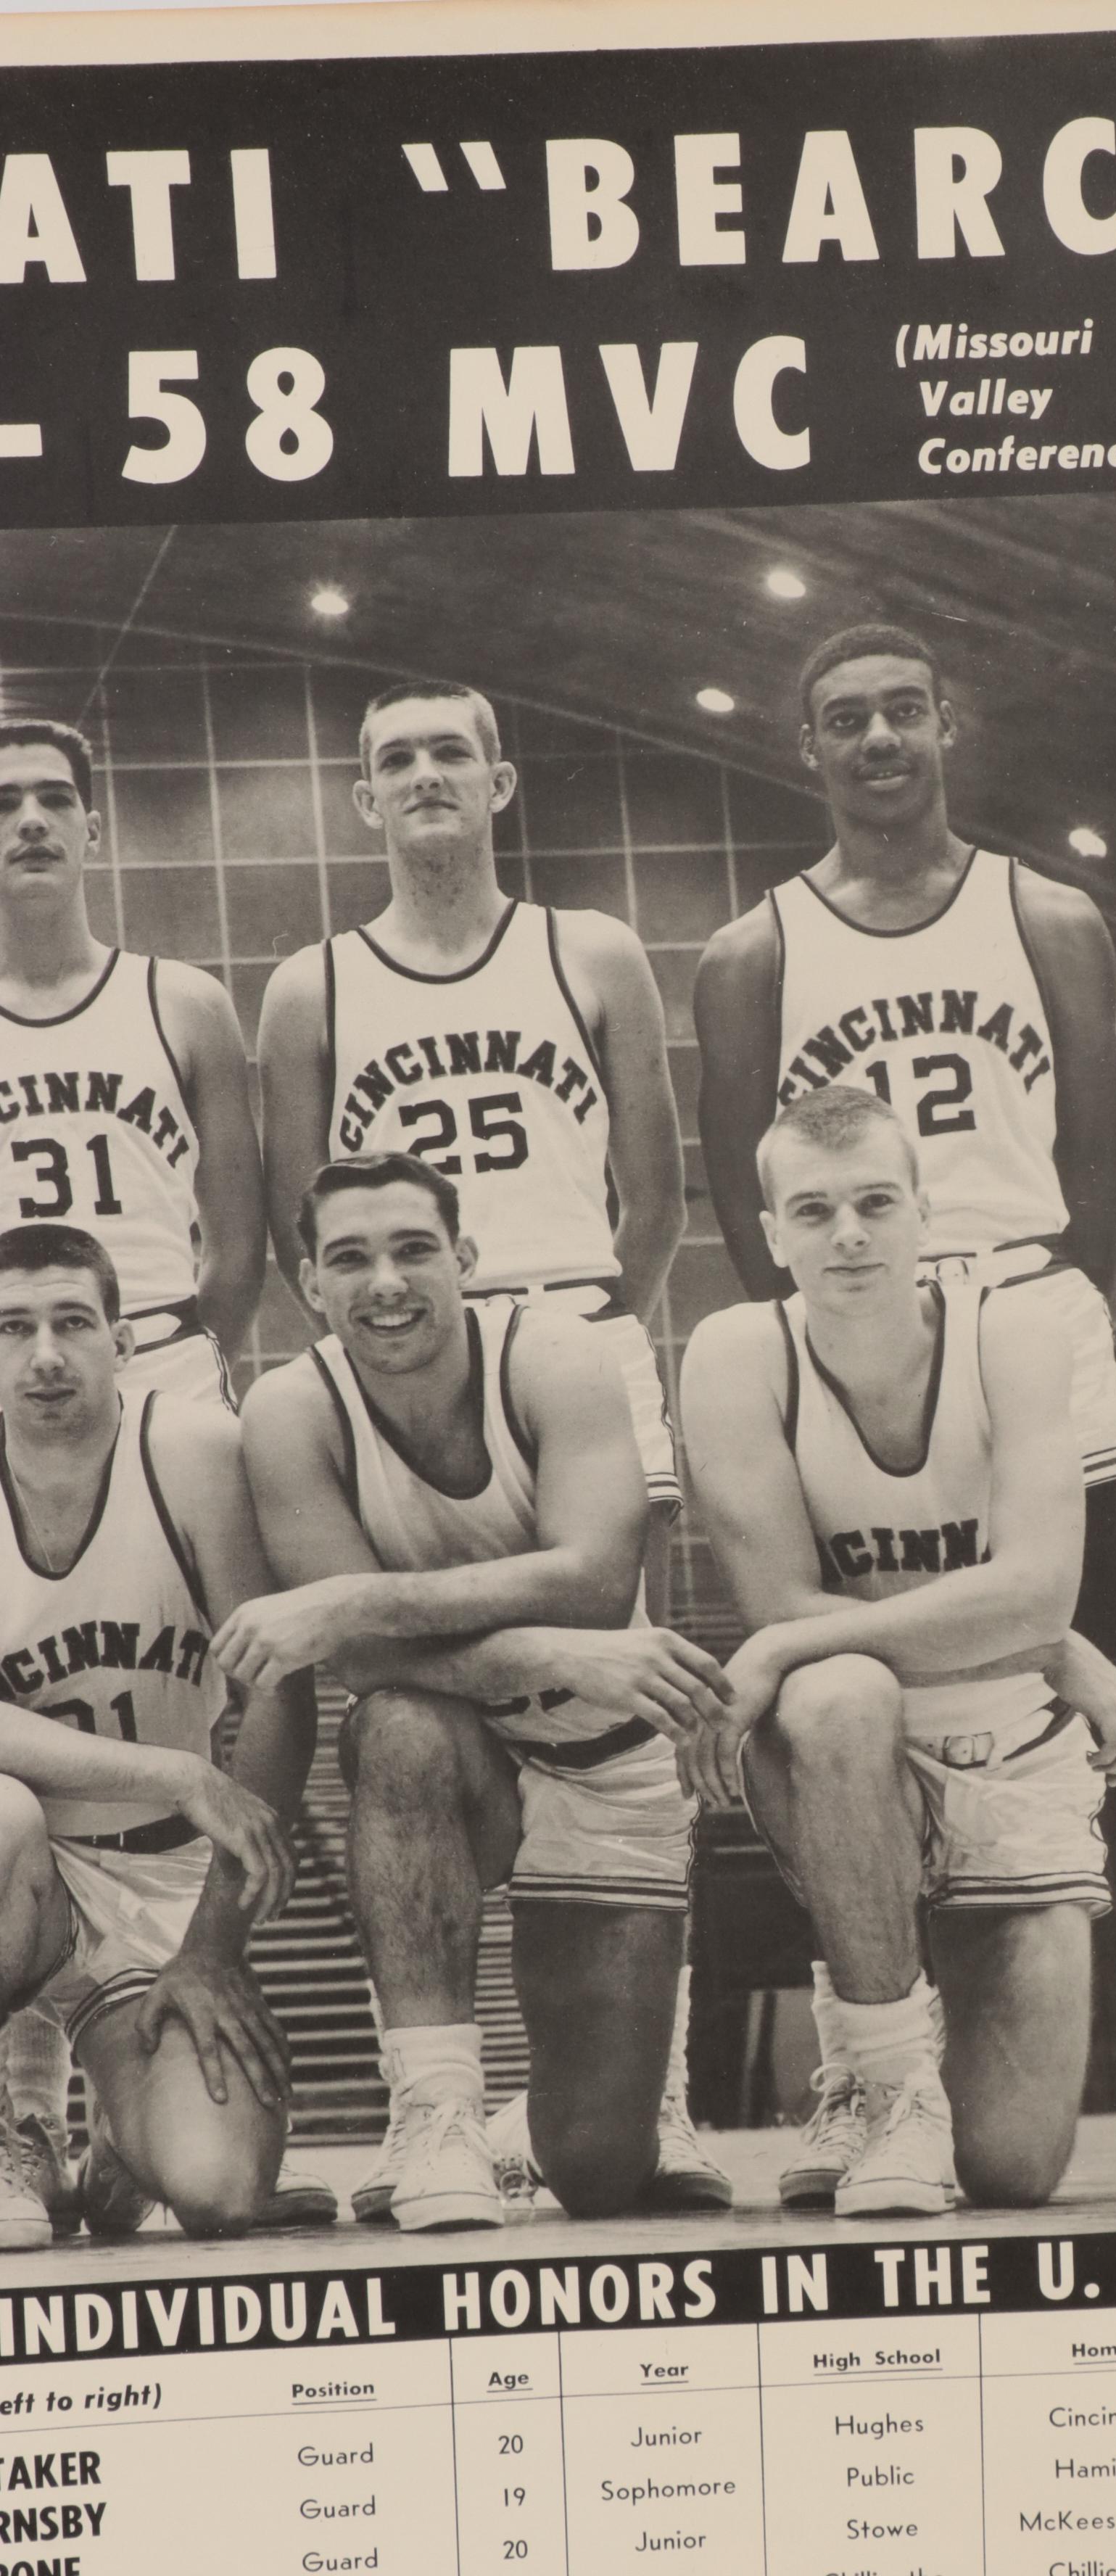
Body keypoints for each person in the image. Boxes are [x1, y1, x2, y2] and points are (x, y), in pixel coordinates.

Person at [693, 624, 1116, 2197]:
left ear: (948, 725)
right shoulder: (754, 953)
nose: (876, 740)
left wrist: (1023, 1312)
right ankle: (874, 2071)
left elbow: (1102, 1165)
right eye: (843, 721)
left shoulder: (1046, 913)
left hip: (1018, 1308)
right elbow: (753, 1190)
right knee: (855, 1701)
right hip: (844, 1317)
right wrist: (839, 1323)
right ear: (805, 750)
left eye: (900, 713)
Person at [254, 678, 726, 2206]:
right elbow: (297, 1209)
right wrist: (389, 1314)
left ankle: (650, 2095)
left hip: (559, 1335)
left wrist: (583, 1324)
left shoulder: (585, 950)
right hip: (401, 1344)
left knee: (622, 1683)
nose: (425, 775)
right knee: (406, 1722)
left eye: (450, 750)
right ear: (363, 802)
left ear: (502, 780)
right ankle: (441, 2108)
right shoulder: (313, 984)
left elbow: (652, 1188)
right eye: (394, 759)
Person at [223, 1152, 731, 2232]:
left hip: (607, 1758)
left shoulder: (558, 1355)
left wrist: (364, 1601)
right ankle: (438, 2112)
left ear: (465, 1259)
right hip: (466, 1746)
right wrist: (545, 1654)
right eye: (350, 1259)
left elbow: (596, 1580)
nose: (387, 1282)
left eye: (414, 1250)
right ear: (309, 1284)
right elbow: (357, 1666)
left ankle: (600, 2109)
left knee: (598, 2171)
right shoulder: (289, 1412)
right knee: (395, 1727)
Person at [680, 1083, 1116, 2217]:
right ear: (773, 1234)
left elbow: (1040, 1589)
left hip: (1011, 1752)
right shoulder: (739, 1354)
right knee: (833, 1697)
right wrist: (1017, 1628)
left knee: (1015, 2173)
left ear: (927, 1212)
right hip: (854, 1748)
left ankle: (877, 2055)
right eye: (816, 1211)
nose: (850, 1235)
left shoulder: (1016, 1335)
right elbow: (779, 1595)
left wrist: (1051, 1634)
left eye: (878, 1202)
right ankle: (888, 2087)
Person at [0, 716, 328, 2226]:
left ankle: (135, 2112)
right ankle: (17, 2102)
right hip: (35, 1383)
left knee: (224, 2191)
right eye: (3, 804)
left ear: (94, 823)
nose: (29, 825)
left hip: (163, 1356)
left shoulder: (177, 998)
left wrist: (176, 1360)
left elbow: (244, 1228)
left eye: (56, 799)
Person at [0, 1221, 310, 2247]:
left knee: (218, 2190)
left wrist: (214, 1947)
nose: (44, 1355)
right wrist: (171, 1768)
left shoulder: (192, 1449)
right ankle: (12, 2120)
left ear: (123, 1343)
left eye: (72, 1323)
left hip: (162, 1885)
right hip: (31, 1863)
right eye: (11, 1328)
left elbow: (281, 1691)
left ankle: (129, 2138)